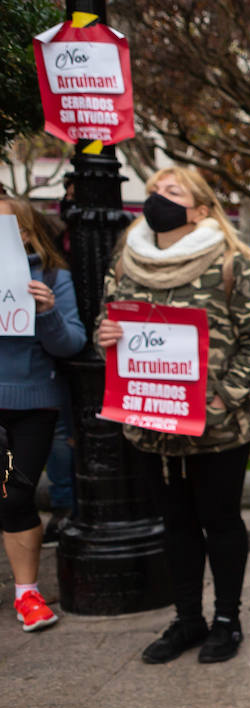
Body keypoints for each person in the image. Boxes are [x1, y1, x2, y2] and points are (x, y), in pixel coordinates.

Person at [95, 166, 250, 663]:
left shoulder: (227, 261)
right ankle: (187, 620)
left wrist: (222, 400)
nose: (158, 198)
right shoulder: (127, 260)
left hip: (218, 430)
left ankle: (226, 621)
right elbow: (108, 321)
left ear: (200, 208)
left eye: (172, 192)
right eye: (154, 190)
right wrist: (104, 336)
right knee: (174, 525)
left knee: (219, 523)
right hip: (152, 427)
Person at [0, 197, 85, 632]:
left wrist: (48, 311)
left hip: (33, 402)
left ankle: (26, 592)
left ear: (27, 233)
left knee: (15, 496)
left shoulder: (53, 277)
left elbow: (71, 344)